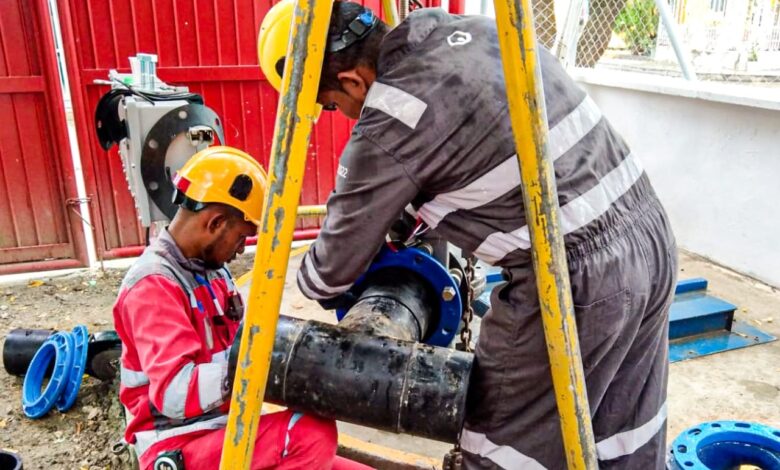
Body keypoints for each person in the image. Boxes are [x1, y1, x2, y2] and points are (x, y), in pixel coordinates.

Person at [259, 2, 678, 469]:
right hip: (651, 237)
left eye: (332, 105)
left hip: (574, 279)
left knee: (499, 444)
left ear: (353, 81)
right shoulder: (474, 33)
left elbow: (327, 276)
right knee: (621, 433)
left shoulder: (390, 118)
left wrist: (334, 261)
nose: (342, 115)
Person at [113, 146, 338, 469]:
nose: (241, 249)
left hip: (223, 428)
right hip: (179, 443)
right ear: (216, 222)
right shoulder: (153, 285)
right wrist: (265, 367)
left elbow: (241, 343)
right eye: (242, 237)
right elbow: (175, 393)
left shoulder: (213, 274)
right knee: (308, 434)